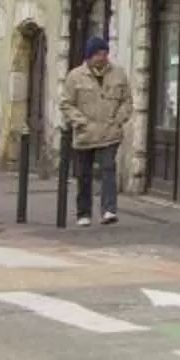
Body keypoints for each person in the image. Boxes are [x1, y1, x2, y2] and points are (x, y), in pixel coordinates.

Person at [58, 38, 132, 227]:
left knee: (108, 169)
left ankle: (109, 210)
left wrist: (119, 120)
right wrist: (79, 121)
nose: (103, 57)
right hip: (86, 134)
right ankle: (84, 213)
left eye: (105, 53)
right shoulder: (75, 76)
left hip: (109, 133)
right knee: (84, 175)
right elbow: (66, 103)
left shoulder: (119, 74)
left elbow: (127, 101)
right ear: (90, 56)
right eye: (99, 54)